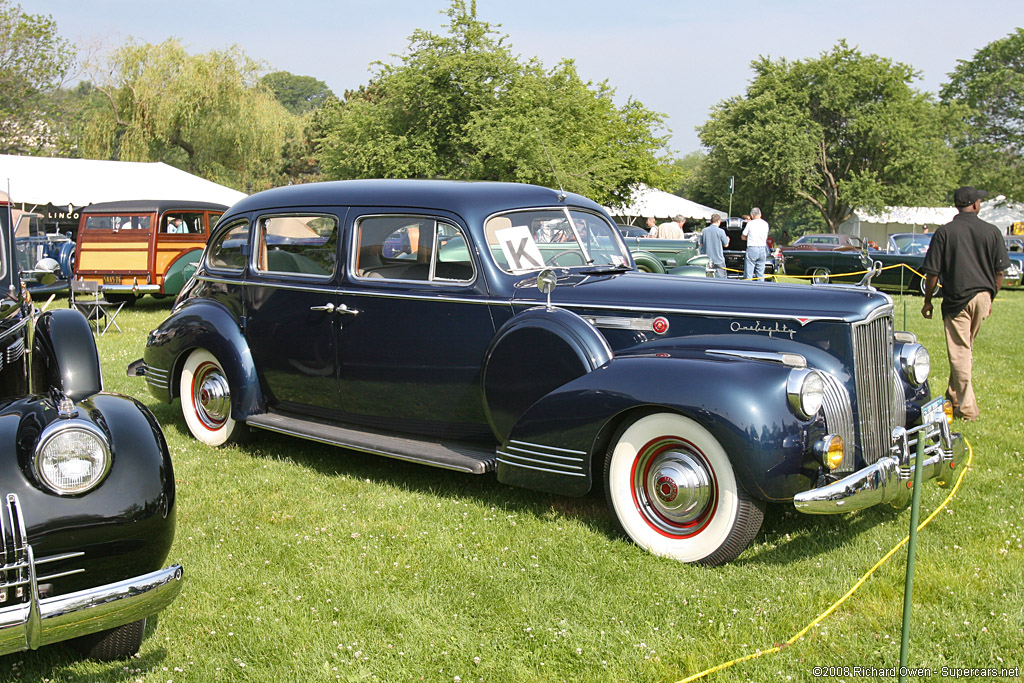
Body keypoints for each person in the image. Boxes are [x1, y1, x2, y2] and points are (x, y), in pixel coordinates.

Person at [920, 186, 1010, 421]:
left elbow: (932, 273)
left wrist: (927, 300)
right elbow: (1000, 272)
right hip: (982, 296)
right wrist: (990, 297)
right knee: (964, 349)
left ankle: (967, 409)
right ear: (975, 204)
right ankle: (953, 397)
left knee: (960, 351)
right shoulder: (992, 231)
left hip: (956, 299)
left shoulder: (945, 233)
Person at [741, 207, 770, 280]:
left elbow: (743, 236)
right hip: (763, 248)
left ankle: (749, 289)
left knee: (749, 273)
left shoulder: (750, 224)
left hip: (752, 248)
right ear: (760, 214)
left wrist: (750, 238)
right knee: (760, 274)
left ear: (752, 215)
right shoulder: (765, 224)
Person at [699, 213, 729, 278]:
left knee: (708, 278)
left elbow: (701, 244)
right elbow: (726, 245)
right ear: (718, 221)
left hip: (707, 259)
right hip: (718, 259)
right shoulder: (721, 231)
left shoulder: (704, 231)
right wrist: (727, 239)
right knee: (722, 278)